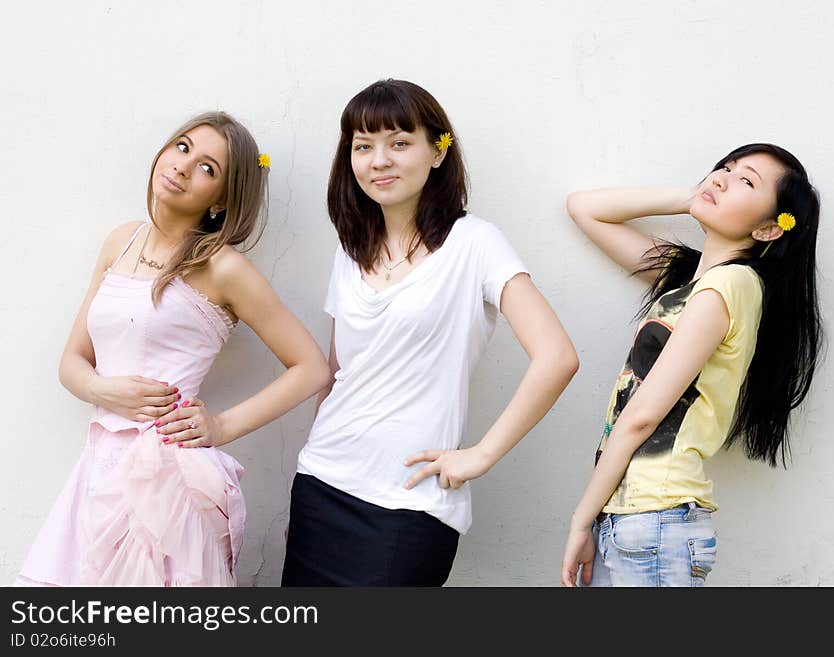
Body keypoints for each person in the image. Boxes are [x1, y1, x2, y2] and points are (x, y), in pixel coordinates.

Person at [281, 79, 579, 586]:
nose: (379, 160)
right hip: (322, 482)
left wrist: (481, 455)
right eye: (363, 146)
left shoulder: (475, 243)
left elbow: (557, 356)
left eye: (399, 142)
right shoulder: (350, 251)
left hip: (409, 503)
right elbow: (337, 374)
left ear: (437, 152)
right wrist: (308, 475)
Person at [16, 111, 331, 586]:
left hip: (165, 480)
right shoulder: (121, 241)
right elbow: (71, 361)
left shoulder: (223, 268)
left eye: (208, 168)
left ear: (222, 199)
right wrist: (105, 390)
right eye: (182, 147)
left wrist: (221, 425)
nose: (183, 166)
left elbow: (311, 368)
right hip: (97, 468)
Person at [560, 143, 823, 587]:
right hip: (637, 518)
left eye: (746, 181)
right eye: (725, 167)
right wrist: (691, 197)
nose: (721, 177)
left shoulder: (728, 286)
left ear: (767, 230)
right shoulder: (691, 282)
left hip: (654, 521)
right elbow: (585, 209)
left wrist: (579, 520)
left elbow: (641, 417)